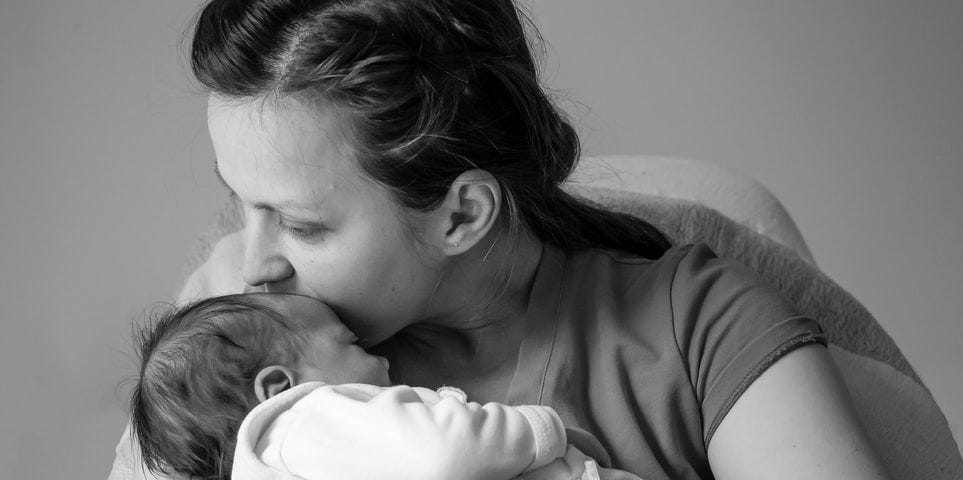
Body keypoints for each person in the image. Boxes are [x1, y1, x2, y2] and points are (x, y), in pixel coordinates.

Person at [109, 1, 891, 479]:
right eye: (239, 205)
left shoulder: (701, 329)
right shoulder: (237, 363)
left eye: (303, 225)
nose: (251, 265)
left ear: (461, 215)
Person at [131, 292, 628, 480]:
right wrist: (537, 428)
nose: (382, 357)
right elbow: (445, 455)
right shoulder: (304, 421)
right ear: (279, 386)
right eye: (352, 344)